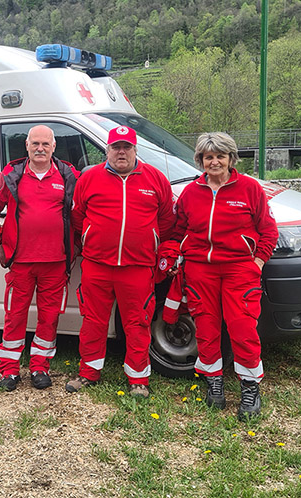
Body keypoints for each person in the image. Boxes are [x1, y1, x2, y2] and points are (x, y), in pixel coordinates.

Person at [172, 131, 278, 420]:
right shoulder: (191, 193)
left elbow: (268, 230)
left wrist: (257, 262)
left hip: (238, 270)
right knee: (206, 329)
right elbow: (179, 229)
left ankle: (249, 387)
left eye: (220, 156)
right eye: (208, 157)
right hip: (199, 270)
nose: (214, 161)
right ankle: (214, 382)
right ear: (200, 160)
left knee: (243, 329)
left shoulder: (249, 189)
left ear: (231, 159)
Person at [67, 125, 175, 397]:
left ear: (135, 149)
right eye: (116, 147)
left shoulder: (155, 179)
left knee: (137, 323)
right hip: (96, 266)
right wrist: (92, 239)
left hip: (138, 267)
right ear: (107, 150)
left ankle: (138, 378)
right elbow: (78, 217)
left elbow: (166, 222)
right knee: (93, 321)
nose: (121, 152)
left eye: (127, 147)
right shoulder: (89, 178)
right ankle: (88, 373)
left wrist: (153, 247)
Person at [0, 125, 79, 391]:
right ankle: (9, 370)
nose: (40, 148)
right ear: (26, 146)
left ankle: (40, 367)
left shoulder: (68, 175)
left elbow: (83, 213)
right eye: (35, 144)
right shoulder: (11, 176)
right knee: (14, 316)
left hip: (56, 263)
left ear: (54, 147)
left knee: (49, 318)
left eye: (46, 144)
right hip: (20, 263)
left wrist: (76, 247)